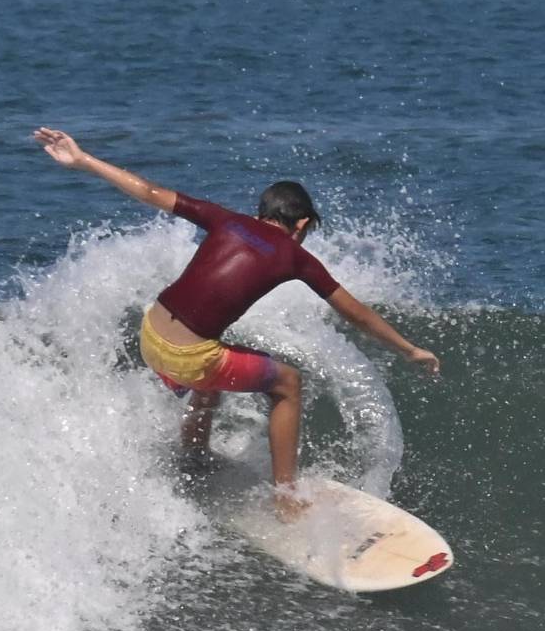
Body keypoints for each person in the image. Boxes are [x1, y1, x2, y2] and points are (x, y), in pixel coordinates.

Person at [32, 128, 438, 517]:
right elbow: (357, 313)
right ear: (301, 224)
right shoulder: (295, 257)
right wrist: (410, 349)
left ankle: (192, 454)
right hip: (187, 357)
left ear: (262, 212)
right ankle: (286, 497)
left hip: (151, 334)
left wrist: (83, 159)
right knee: (287, 383)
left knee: (212, 367)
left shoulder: (225, 219)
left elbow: (149, 191)